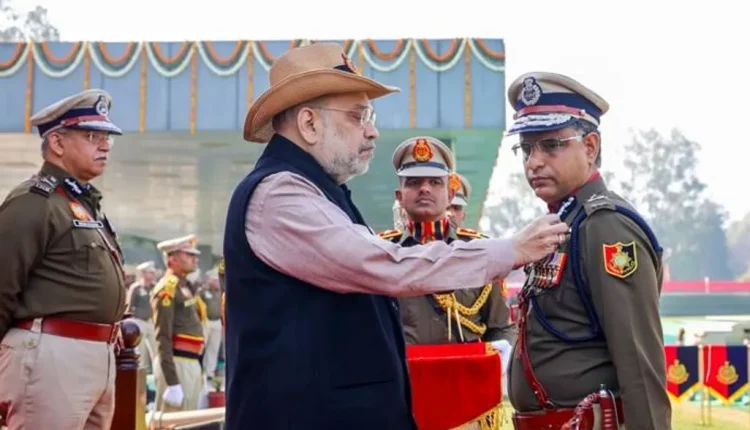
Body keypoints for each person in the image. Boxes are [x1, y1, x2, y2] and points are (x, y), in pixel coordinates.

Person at [223, 42, 570, 430]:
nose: (372, 131)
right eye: (358, 116)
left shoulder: (315, 191)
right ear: (309, 123)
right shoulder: (280, 195)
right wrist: (510, 250)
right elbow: (386, 265)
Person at [504, 72, 670, 429]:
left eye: (551, 145)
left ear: (590, 147)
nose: (533, 162)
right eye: (526, 149)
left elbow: (639, 364)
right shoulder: (565, 223)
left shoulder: (606, 227)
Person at [0, 89, 126, 430]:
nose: (105, 146)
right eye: (92, 136)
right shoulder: (34, 201)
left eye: (107, 138)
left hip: (93, 354)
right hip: (51, 354)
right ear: (57, 142)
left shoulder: (78, 203)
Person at [379, 136, 515, 349]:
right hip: (403, 370)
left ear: (450, 194)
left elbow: (501, 328)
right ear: (399, 196)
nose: (424, 189)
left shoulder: (479, 251)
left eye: (435, 182)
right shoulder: (380, 253)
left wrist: (501, 356)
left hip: (466, 370)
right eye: (414, 182)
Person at [151, 234, 207, 412]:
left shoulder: (186, 285)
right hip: (177, 363)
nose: (195, 258)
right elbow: (162, 337)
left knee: (188, 419)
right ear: (172, 259)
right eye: (189, 254)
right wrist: (172, 382)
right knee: (173, 420)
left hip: (191, 362)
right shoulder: (167, 289)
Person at [126, 260, 159, 372]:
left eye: (153, 273)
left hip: (151, 321)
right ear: (143, 273)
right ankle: (141, 374)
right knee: (141, 352)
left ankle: (157, 372)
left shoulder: (155, 287)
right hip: (139, 321)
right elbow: (129, 306)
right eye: (150, 272)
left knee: (156, 350)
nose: (152, 275)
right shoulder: (136, 288)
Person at [198, 267, 223, 381]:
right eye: (215, 280)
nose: (217, 282)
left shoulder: (220, 291)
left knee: (214, 347)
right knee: (201, 347)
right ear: (210, 280)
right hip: (206, 322)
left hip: (217, 321)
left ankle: (210, 372)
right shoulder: (203, 291)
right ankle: (199, 370)